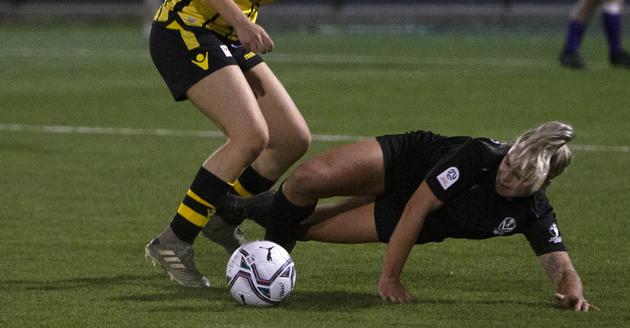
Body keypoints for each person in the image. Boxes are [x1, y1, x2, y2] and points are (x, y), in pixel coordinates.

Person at [144, 0, 361, 288]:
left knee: (293, 138)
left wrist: (241, 23)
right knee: (250, 136)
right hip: (184, 30)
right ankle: (174, 240)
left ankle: (223, 218)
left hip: (224, 35)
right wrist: (242, 23)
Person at [224, 122, 598, 311]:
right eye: (510, 163)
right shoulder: (479, 156)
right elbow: (421, 201)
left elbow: (560, 266)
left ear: (543, 182)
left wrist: (573, 294)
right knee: (308, 179)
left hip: (414, 218)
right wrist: (390, 277)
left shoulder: (534, 211)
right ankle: (253, 234)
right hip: (408, 164)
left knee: (304, 229)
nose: (506, 175)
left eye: (520, 177)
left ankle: (247, 215)